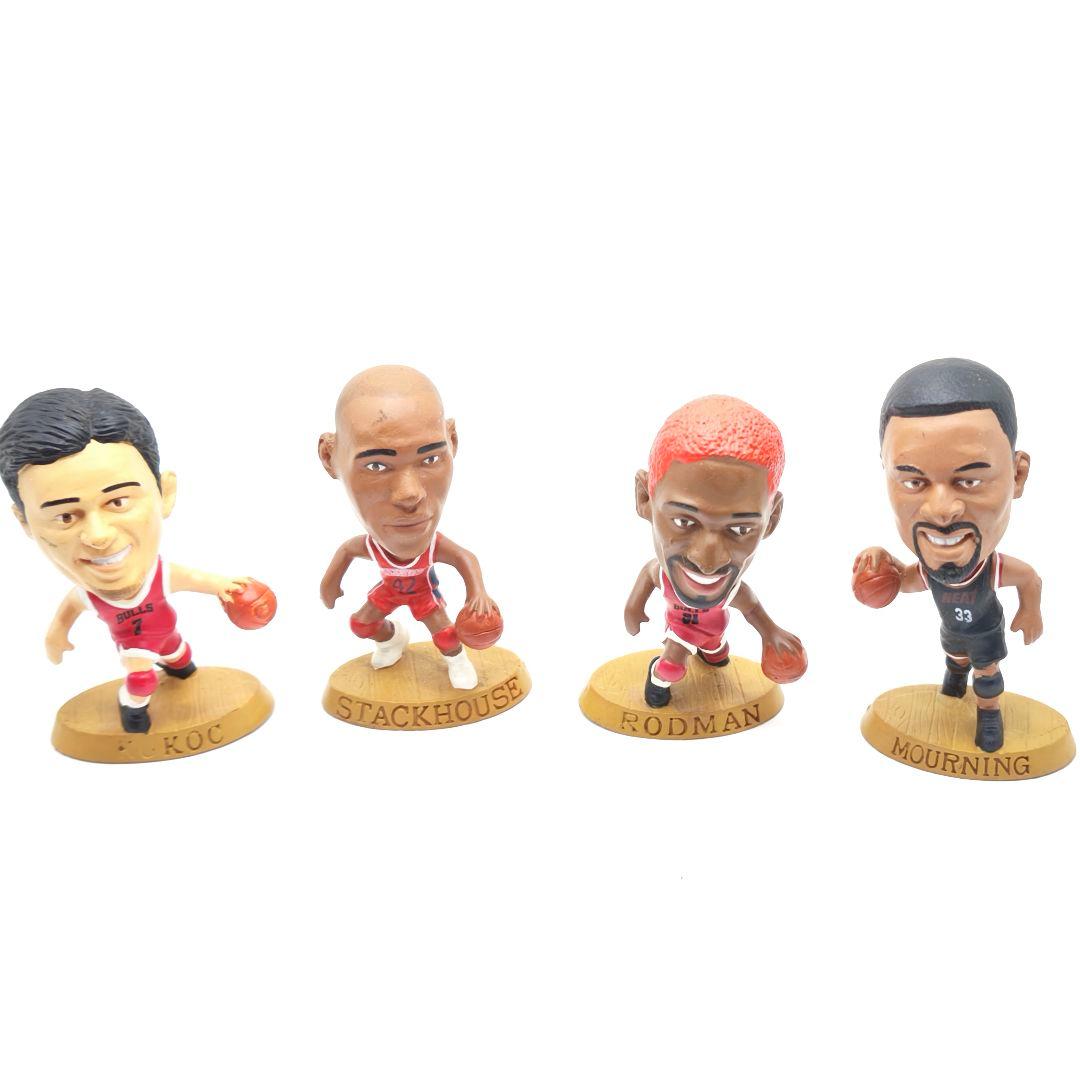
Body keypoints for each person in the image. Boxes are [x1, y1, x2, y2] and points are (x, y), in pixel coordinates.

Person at [0, 388, 253, 733]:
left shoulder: (158, 574)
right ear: (25, 522)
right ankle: (132, 708)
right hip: (134, 645)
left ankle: (179, 668)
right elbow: (68, 611)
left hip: (167, 633)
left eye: (118, 502)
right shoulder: (89, 595)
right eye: (65, 517)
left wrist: (224, 586)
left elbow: (195, 579)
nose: (98, 536)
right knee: (142, 679)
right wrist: (55, 636)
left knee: (179, 655)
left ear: (165, 493)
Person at [852, 358, 1042, 753]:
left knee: (986, 673)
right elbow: (904, 582)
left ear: (1017, 475)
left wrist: (1030, 611)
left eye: (969, 480)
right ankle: (954, 684)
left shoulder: (990, 568)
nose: (941, 510)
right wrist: (880, 564)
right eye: (913, 482)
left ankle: (988, 714)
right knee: (955, 657)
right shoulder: (929, 570)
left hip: (985, 633)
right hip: (953, 631)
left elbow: (1028, 578)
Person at [318, 366, 496, 690]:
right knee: (360, 624)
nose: (409, 495)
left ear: (452, 441)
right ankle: (393, 640)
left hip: (424, 595)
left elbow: (463, 558)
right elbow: (346, 551)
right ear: (330, 457)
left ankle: (457, 661)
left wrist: (477, 593)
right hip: (389, 592)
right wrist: (330, 583)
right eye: (376, 466)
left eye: (430, 459)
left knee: (445, 634)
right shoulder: (372, 546)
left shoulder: (432, 547)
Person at [625, 395, 805, 708]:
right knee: (673, 663)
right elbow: (647, 577)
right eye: (684, 521)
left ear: (772, 518)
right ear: (645, 499)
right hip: (680, 631)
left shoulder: (732, 589)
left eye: (740, 530)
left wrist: (771, 632)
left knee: (716, 650)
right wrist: (633, 607)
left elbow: (751, 609)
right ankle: (658, 681)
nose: (709, 562)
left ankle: (712, 654)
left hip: (714, 631)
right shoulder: (663, 576)